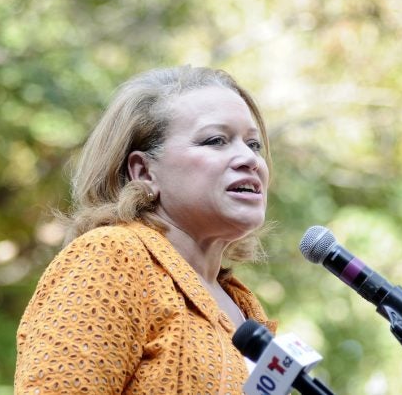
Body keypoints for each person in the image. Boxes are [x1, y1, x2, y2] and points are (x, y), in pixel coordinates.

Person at [15, 65, 277, 394]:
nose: (248, 159)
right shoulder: (113, 258)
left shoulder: (240, 302)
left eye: (253, 145)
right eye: (215, 140)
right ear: (143, 171)